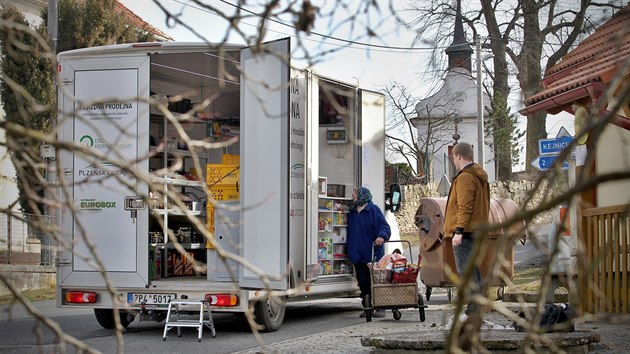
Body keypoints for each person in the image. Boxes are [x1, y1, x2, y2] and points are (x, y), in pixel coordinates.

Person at [443, 142, 490, 316]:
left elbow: (465, 206)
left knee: (465, 271)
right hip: (476, 230)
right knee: (473, 269)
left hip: (466, 232)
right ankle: (478, 305)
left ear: (459, 156)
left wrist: (459, 231)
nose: (454, 161)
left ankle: (474, 308)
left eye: (454, 157)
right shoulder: (479, 176)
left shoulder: (465, 177)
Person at [347, 186, 391, 318]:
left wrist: (381, 237)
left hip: (372, 254)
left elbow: (384, 227)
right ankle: (367, 306)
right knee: (363, 282)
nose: (353, 196)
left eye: (355, 194)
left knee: (376, 280)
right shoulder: (352, 213)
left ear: (362, 195)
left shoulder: (373, 210)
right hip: (357, 254)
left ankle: (380, 307)